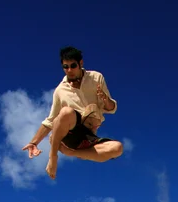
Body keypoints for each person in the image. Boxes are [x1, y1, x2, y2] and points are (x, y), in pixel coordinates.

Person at [22, 46, 123, 180]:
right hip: (70, 133)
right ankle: (53, 157)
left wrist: (105, 99)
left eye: (73, 65)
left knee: (117, 148)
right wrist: (34, 142)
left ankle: (72, 152)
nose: (69, 70)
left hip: (88, 135)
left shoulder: (96, 78)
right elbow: (51, 120)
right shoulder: (60, 90)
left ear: (81, 63)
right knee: (66, 112)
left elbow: (111, 108)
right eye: (65, 67)